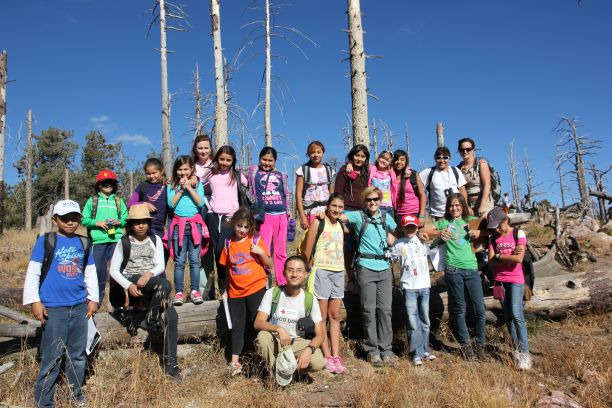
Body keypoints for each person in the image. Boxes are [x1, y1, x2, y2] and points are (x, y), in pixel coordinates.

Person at [23, 199, 98, 407]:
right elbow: (34, 272)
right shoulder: (46, 241)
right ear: (55, 220)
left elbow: (90, 273)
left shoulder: (84, 242)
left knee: (77, 354)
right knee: (52, 355)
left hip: (80, 306)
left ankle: (75, 395)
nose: (70, 222)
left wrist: (93, 300)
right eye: (65, 218)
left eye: (74, 218)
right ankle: (44, 401)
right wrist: (35, 301)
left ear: (80, 219)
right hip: (54, 308)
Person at [108, 204, 181, 379]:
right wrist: (128, 285)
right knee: (165, 285)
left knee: (172, 316)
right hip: (132, 280)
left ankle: (171, 366)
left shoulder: (154, 239)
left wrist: (149, 274)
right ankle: (152, 318)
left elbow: (160, 265)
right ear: (130, 225)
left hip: (151, 281)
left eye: (144, 222)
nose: (141, 226)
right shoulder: (124, 242)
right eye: (136, 222)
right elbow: (114, 270)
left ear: (149, 223)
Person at [334, 186, 397, 366]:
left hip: (385, 267)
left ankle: (386, 349)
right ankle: (372, 350)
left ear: (380, 200)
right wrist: (327, 214)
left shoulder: (386, 217)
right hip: (366, 267)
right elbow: (338, 217)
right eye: (369, 200)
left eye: (376, 199)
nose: (372, 203)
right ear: (365, 201)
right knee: (369, 309)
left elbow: (397, 233)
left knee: (385, 310)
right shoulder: (358, 216)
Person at [421, 193, 486, 360]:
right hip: (453, 269)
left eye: (457, 205)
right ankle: (466, 346)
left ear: (463, 206)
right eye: (451, 206)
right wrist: (439, 232)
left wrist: (479, 232)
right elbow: (424, 231)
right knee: (459, 309)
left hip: (472, 269)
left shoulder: (470, 220)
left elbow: (488, 228)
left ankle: (480, 344)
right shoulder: (445, 222)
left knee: (480, 308)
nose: (454, 208)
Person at [254, 256, 327, 385]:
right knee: (262, 338)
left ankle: (291, 372)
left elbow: (320, 334)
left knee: (318, 362)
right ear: (284, 273)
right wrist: (278, 329)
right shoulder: (273, 293)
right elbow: (258, 323)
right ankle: (276, 373)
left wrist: (308, 350)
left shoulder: (310, 299)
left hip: (297, 342)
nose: (294, 274)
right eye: (290, 270)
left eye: (299, 271)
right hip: (275, 340)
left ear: (306, 275)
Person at [218, 208, 273, 376]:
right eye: (239, 226)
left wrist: (261, 252)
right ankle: (235, 362)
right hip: (235, 292)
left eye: (245, 227)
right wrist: (224, 290)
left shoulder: (255, 241)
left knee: (256, 324)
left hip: (256, 288)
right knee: (237, 327)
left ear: (251, 228)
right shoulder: (228, 244)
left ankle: (259, 360)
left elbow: (270, 264)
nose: (242, 230)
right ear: (234, 225)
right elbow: (224, 268)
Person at [302, 193, 347, 374]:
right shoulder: (318, 223)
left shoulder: (342, 224)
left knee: (335, 315)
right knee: (321, 316)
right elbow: (307, 251)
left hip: (338, 271)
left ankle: (336, 356)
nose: (336, 210)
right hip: (321, 270)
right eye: (334, 206)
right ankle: (326, 356)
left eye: (340, 207)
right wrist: (310, 268)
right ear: (327, 206)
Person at [486, 207, 532, 370]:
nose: (496, 229)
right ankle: (516, 350)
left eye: (498, 225)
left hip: (515, 279)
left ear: (506, 220)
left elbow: (518, 258)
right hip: (499, 280)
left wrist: (499, 256)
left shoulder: (518, 233)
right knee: (508, 316)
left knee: (516, 313)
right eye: (493, 226)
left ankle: (525, 353)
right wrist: (506, 257)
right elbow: (490, 262)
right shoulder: (493, 239)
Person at [391, 214, 435, 366]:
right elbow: (391, 258)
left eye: (413, 227)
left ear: (417, 228)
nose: (410, 229)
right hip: (409, 287)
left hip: (424, 286)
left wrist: (427, 239)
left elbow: (434, 251)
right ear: (403, 228)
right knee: (412, 320)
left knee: (425, 320)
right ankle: (415, 352)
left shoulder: (423, 241)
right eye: (407, 227)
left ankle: (424, 350)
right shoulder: (399, 244)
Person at [247, 147, 292, 286]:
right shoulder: (254, 171)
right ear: (259, 158)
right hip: (264, 216)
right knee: (263, 249)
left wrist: (288, 212)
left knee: (281, 251)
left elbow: (286, 194)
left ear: (275, 161)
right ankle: (263, 280)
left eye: (270, 160)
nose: (267, 163)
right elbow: (234, 167)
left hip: (281, 216)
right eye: (264, 159)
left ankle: (282, 282)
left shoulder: (281, 175)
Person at [205, 145, 248, 290]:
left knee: (221, 249)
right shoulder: (210, 174)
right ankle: (222, 287)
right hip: (212, 216)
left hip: (230, 217)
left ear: (232, 161)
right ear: (217, 158)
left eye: (228, 160)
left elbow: (251, 185)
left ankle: (230, 283)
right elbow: (199, 185)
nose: (224, 162)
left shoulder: (236, 175)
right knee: (216, 252)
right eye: (222, 159)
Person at [82, 169, 128, 303]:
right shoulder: (93, 201)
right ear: (99, 185)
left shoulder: (119, 201)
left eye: (111, 183)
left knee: (117, 272)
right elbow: (84, 219)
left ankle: (118, 304)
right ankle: (96, 302)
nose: (108, 185)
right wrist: (97, 223)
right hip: (98, 242)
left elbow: (126, 217)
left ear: (114, 185)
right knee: (98, 272)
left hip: (116, 242)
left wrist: (119, 222)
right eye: (104, 183)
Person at [166, 155, 208, 306]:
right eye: (180, 169)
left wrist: (189, 188)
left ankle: (195, 291)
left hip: (194, 225)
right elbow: (171, 204)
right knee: (179, 261)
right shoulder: (171, 184)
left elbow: (200, 202)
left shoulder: (197, 183)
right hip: (179, 226)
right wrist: (180, 189)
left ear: (192, 169)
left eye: (186, 169)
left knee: (195, 261)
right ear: (175, 170)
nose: (183, 172)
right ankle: (178, 292)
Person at [334, 144, 370, 273]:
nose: (359, 159)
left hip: (363, 213)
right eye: (357, 155)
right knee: (348, 247)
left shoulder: (367, 173)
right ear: (352, 156)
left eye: (363, 156)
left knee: (362, 246)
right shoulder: (345, 170)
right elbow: (337, 192)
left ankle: (361, 276)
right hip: (347, 212)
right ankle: (349, 277)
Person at [127, 158, 169, 260]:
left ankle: (160, 276)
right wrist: (143, 204)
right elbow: (130, 204)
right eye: (148, 173)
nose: (151, 176)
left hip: (160, 230)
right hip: (145, 230)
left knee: (161, 259)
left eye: (154, 173)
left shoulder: (167, 186)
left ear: (161, 171)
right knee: (146, 260)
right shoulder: (143, 186)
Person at [191, 133, 216, 298]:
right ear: (195, 149)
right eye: (200, 148)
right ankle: (204, 291)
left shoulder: (216, 165)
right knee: (202, 250)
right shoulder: (191, 166)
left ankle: (221, 289)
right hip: (198, 210)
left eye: (206, 147)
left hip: (215, 209)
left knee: (218, 249)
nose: (203, 151)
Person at [420, 147, 468, 220]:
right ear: (435, 159)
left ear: (449, 159)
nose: (442, 160)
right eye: (438, 158)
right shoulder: (429, 172)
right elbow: (416, 181)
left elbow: (462, 190)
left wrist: (466, 207)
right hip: (437, 215)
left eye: (445, 158)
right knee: (441, 232)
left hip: (456, 214)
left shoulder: (455, 170)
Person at [295, 141, 335, 230]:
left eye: (319, 152)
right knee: (310, 240)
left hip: (326, 212)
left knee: (326, 240)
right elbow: (298, 195)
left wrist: (333, 211)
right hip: (309, 212)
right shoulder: (303, 170)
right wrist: (302, 217)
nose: (316, 155)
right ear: (308, 154)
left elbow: (332, 193)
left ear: (323, 153)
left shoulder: (329, 170)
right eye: (312, 152)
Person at [457, 138, 494, 217]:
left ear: (473, 150)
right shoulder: (458, 169)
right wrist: (466, 206)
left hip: (484, 200)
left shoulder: (481, 163)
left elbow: (487, 185)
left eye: (468, 149)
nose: (465, 152)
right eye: (462, 149)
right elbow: (461, 189)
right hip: (468, 203)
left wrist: (483, 205)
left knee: (485, 224)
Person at [392, 149, 427, 227]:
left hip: (415, 213)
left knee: (416, 238)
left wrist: (421, 216)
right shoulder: (390, 176)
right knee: (400, 239)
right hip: (398, 215)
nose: (399, 162)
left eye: (402, 160)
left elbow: (422, 195)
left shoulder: (413, 175)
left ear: (406, 162)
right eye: (396, 159)